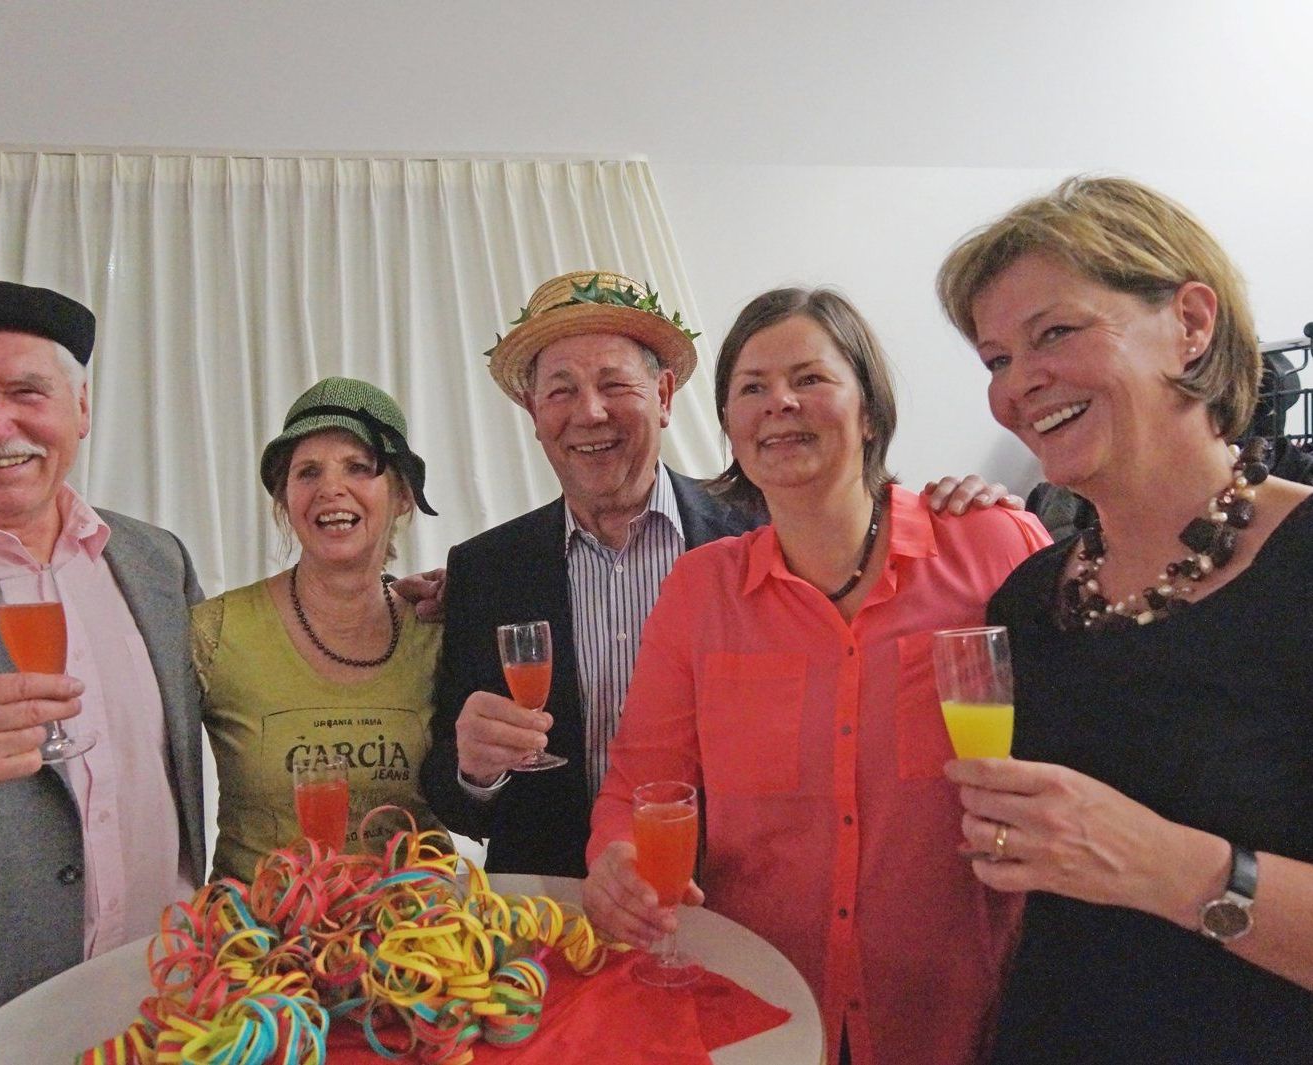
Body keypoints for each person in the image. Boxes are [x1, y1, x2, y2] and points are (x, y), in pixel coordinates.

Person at [582, 286, 1051, 1065]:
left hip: (961, 1022)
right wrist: (616, 862)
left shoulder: (994, 548)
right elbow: (641, 782)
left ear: (870, 409)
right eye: (752, 388)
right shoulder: (702, 589)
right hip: (761, 1017)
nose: (780, 404)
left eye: (811, 378)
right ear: (730, 426)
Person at [420, 270, 1014, 878]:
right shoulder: (485, 570)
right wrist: (475, 770)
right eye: (561, 391)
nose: (590, 412)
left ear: (666, 396)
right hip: (550, 913)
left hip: (736, 901)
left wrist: (988, 518)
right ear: (534, 413)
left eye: (615, 384)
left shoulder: (767, 539)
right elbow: (449, 796)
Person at [935, 176, 1313, 1063]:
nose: (1020, 385)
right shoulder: (1031, 599)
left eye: (1054, 333)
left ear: (1190, 321)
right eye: (995, 360)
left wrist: (1168, 866)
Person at [0, 281, 204, 1063]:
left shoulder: (155, 559)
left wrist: (384, 603)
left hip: (166, 1013)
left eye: (27, 390)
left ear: (82, 407)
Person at [192, 376, 444, 881]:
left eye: (358, 467)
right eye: (308, 472)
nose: (331, 488)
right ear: (286, 500)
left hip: (418, 940)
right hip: (260, 944)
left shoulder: (439, 630)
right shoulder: (216, 630)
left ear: (402, 497)